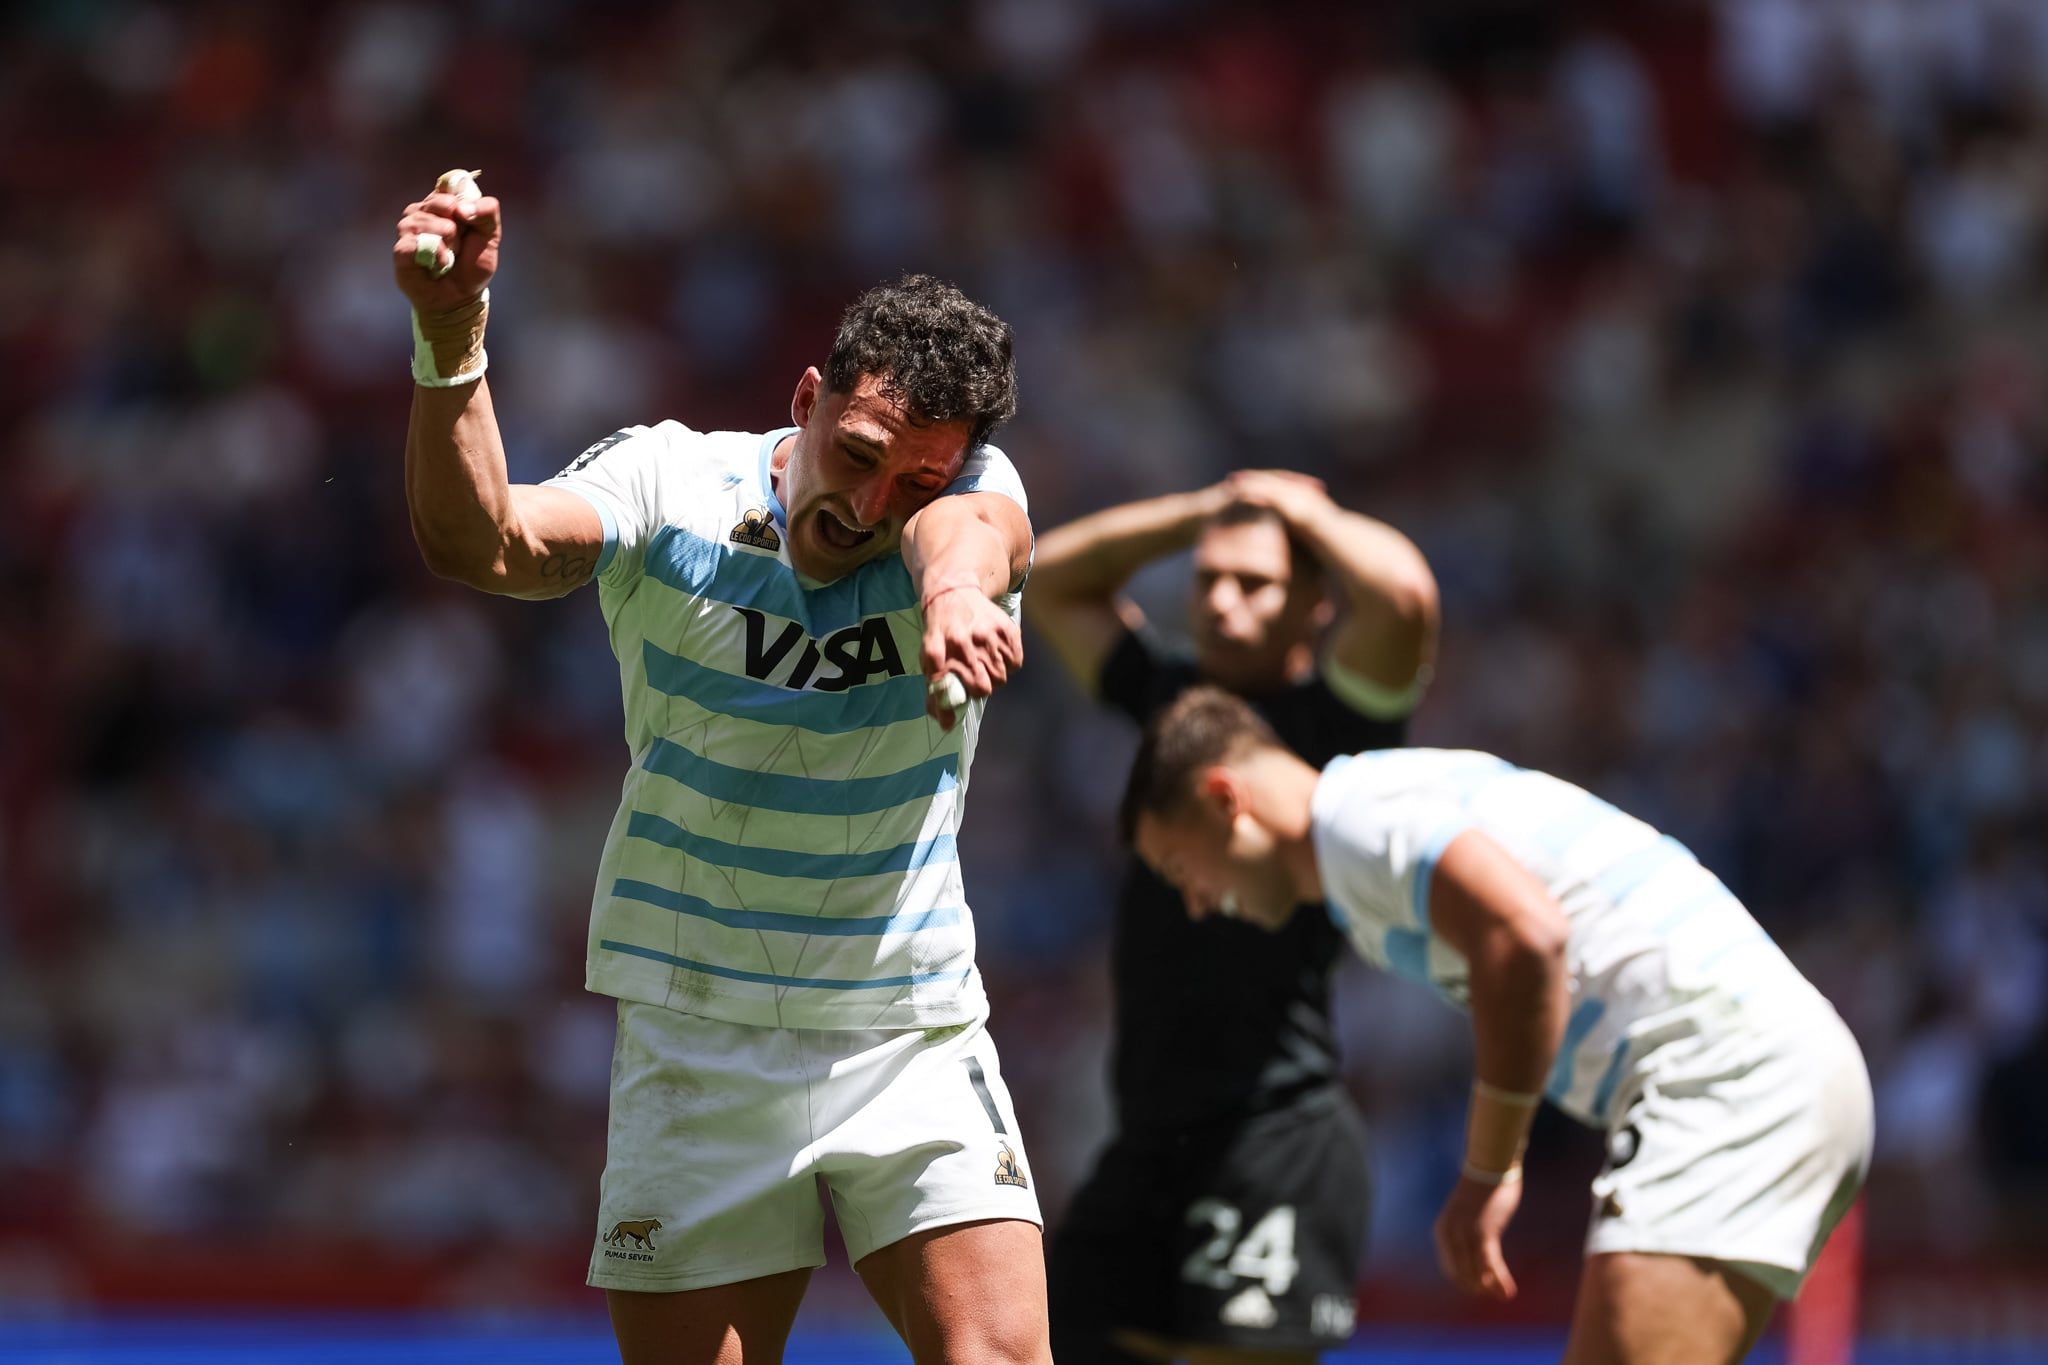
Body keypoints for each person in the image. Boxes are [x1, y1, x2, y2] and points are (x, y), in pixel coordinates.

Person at [392, 180, 1049, 1365]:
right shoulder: (667, 481)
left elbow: (976, 537)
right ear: (806, 398)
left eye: (913, 483)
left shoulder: (968, 499)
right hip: (695, 1032)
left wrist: (952, 587)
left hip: (905, 1023)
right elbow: (483, 540)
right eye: (855, 457)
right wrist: (452, 341)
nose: (871, 505)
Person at [1122, 687, 1876, 1365]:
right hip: (1760, 1068)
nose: (1196, 903)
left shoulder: (1353, 818)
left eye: (1181, 869)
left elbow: (1527, 936)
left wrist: (1488, 1170)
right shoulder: (1375, 818)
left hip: (1727, 1071)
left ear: (1226, 798)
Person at [1026, 472, 1440, 1364]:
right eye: (1208, 577)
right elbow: (1050, 579)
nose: (1220, 600)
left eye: (1254, 583)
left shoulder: (1340, 723)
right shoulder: (1175, 706)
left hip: (1274, 1134)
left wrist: (1307, 513)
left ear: (1317, 604)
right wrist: (1200, 511)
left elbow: (1404, 595)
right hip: (1147, 1136)